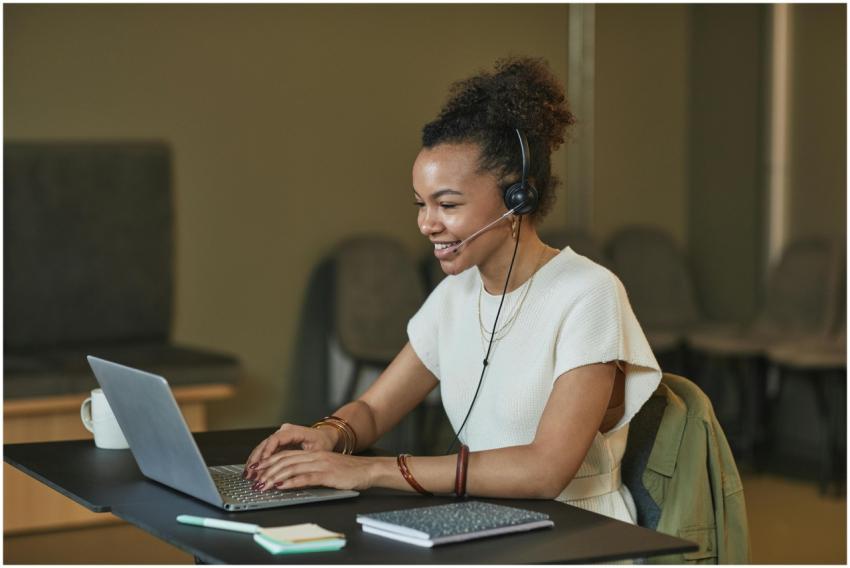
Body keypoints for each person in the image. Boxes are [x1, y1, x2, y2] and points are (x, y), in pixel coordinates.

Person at [243, 56, 661, 524]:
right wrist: (328, 436)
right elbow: (373, 410)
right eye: (422, 204)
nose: (426, 223)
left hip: (578, 529)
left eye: (448, 204)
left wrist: (369, 471)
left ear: (518, 197)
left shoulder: (589, 293)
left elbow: (545, 471)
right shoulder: (454, 295)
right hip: (483, 521)